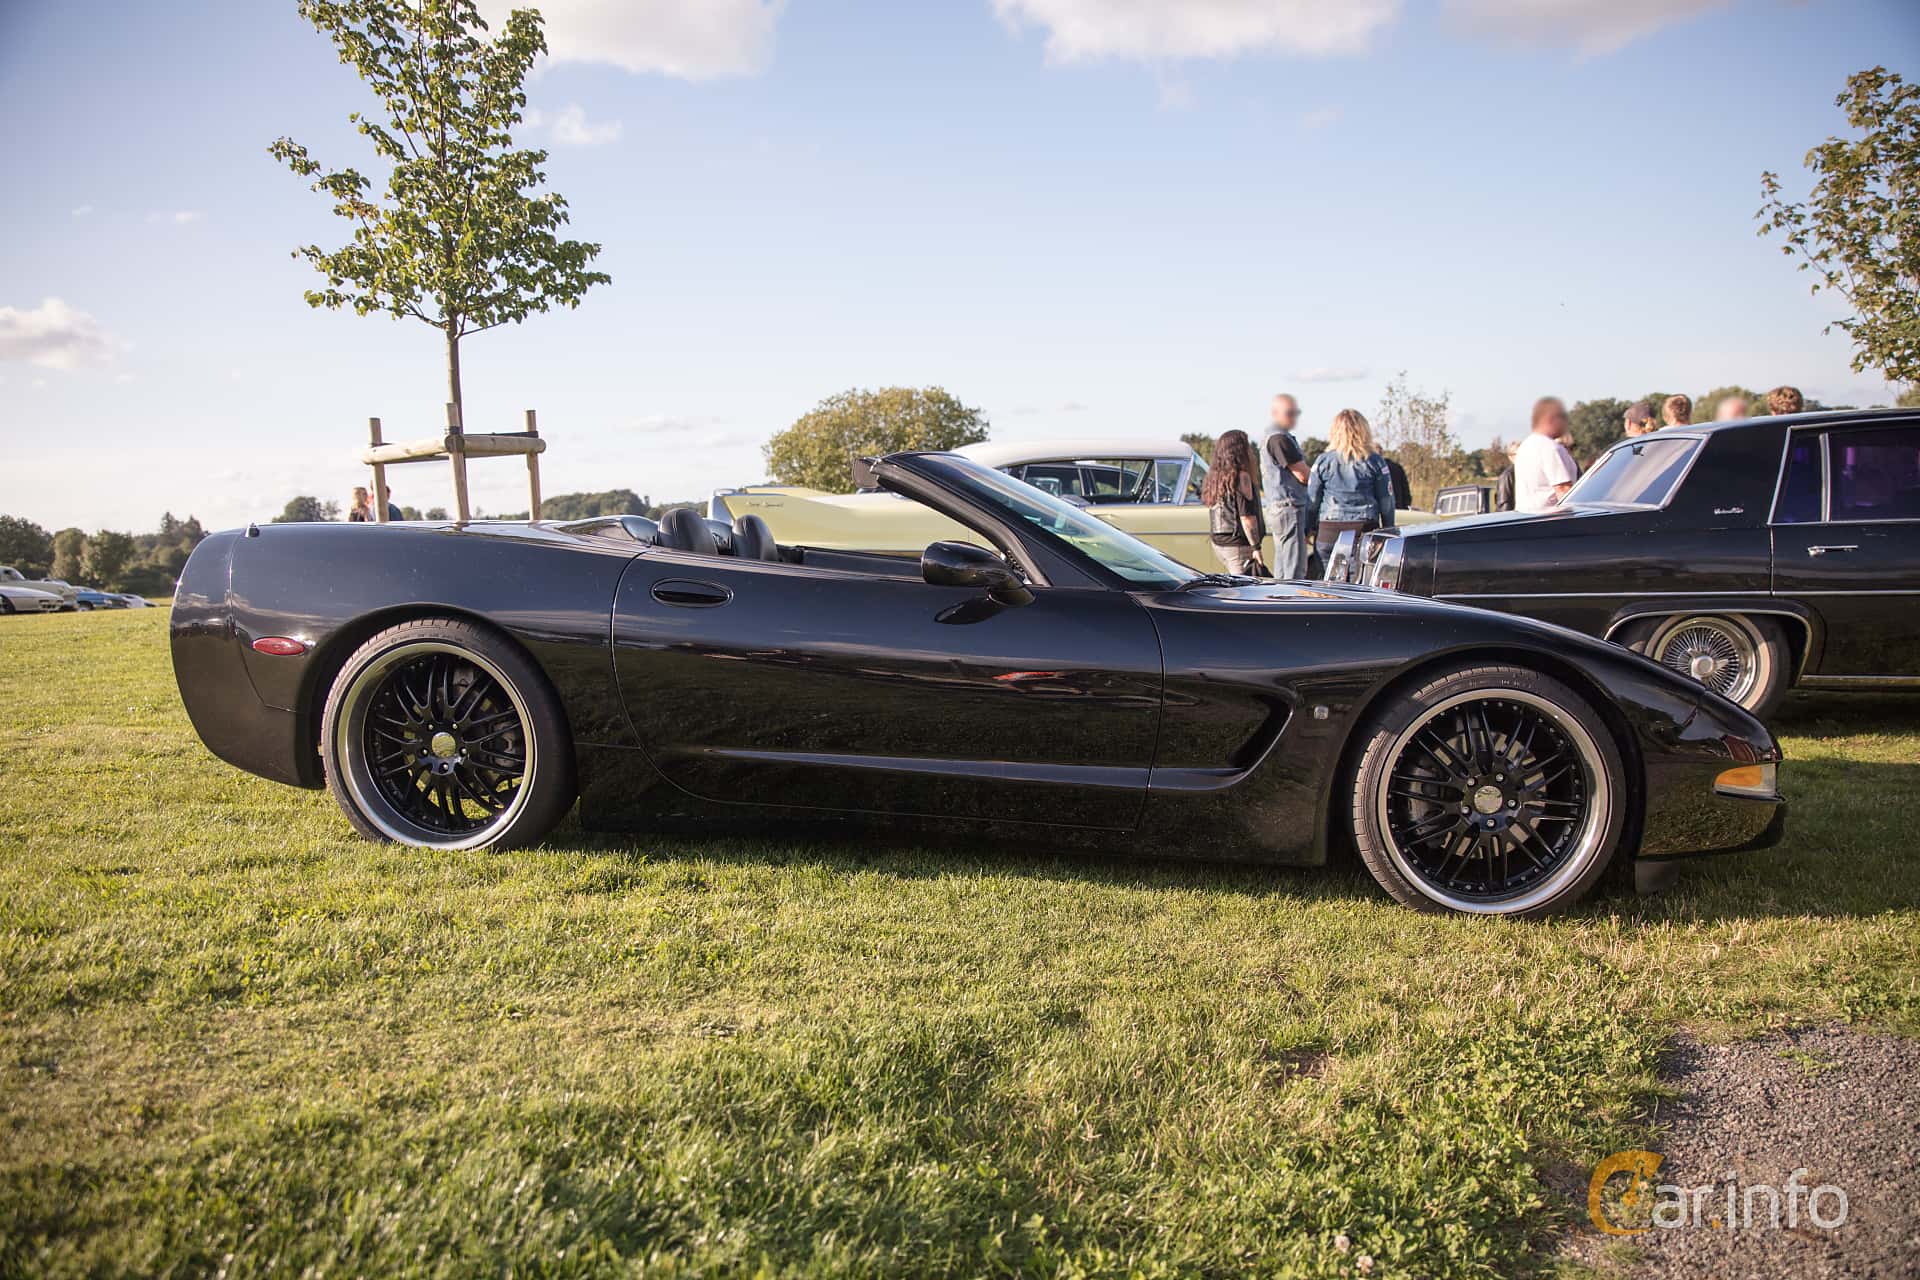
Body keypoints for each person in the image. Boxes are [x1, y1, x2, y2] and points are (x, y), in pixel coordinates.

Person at [1306, 409, 1394, 563]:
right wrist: (1388, 531)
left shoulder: (1322, 461)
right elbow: (1387, 501)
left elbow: (1312, 500)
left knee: (1327, 585)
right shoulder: (1375, 461)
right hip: (1363, 529)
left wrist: (1307, 529)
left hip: (1328, 530)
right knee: (1359, 584)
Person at [1258, 394, 1312, 578]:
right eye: (1289, 413)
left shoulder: (1269, 437)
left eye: (1295, 413)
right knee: (1294, 568)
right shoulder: (1279, 439)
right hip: (1289, 507)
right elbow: (1303, 475)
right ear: (1275, 413)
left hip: (1277, 506)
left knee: (1283, 564)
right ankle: (1290, 602)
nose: (1293, 418)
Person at [1204, 429, 1267, 576]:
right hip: (1238, 543)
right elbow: (1247, 518)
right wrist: (1256, 547)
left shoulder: (1214, 478)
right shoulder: (1242, 477)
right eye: (1247, 446)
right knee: (1242, 591)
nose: (1250, 450)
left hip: (1219, 542)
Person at [1513, 396, 1580, 513]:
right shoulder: (1551, 448)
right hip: (1552, 517)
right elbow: (1563, 489)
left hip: (1526, 516)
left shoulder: (1526, 445)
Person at [1493, 438, 1521, 511]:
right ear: (1510, 457)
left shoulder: (1526, 473)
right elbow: (1504, 504)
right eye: (1519, 454)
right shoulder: (1507, 476)